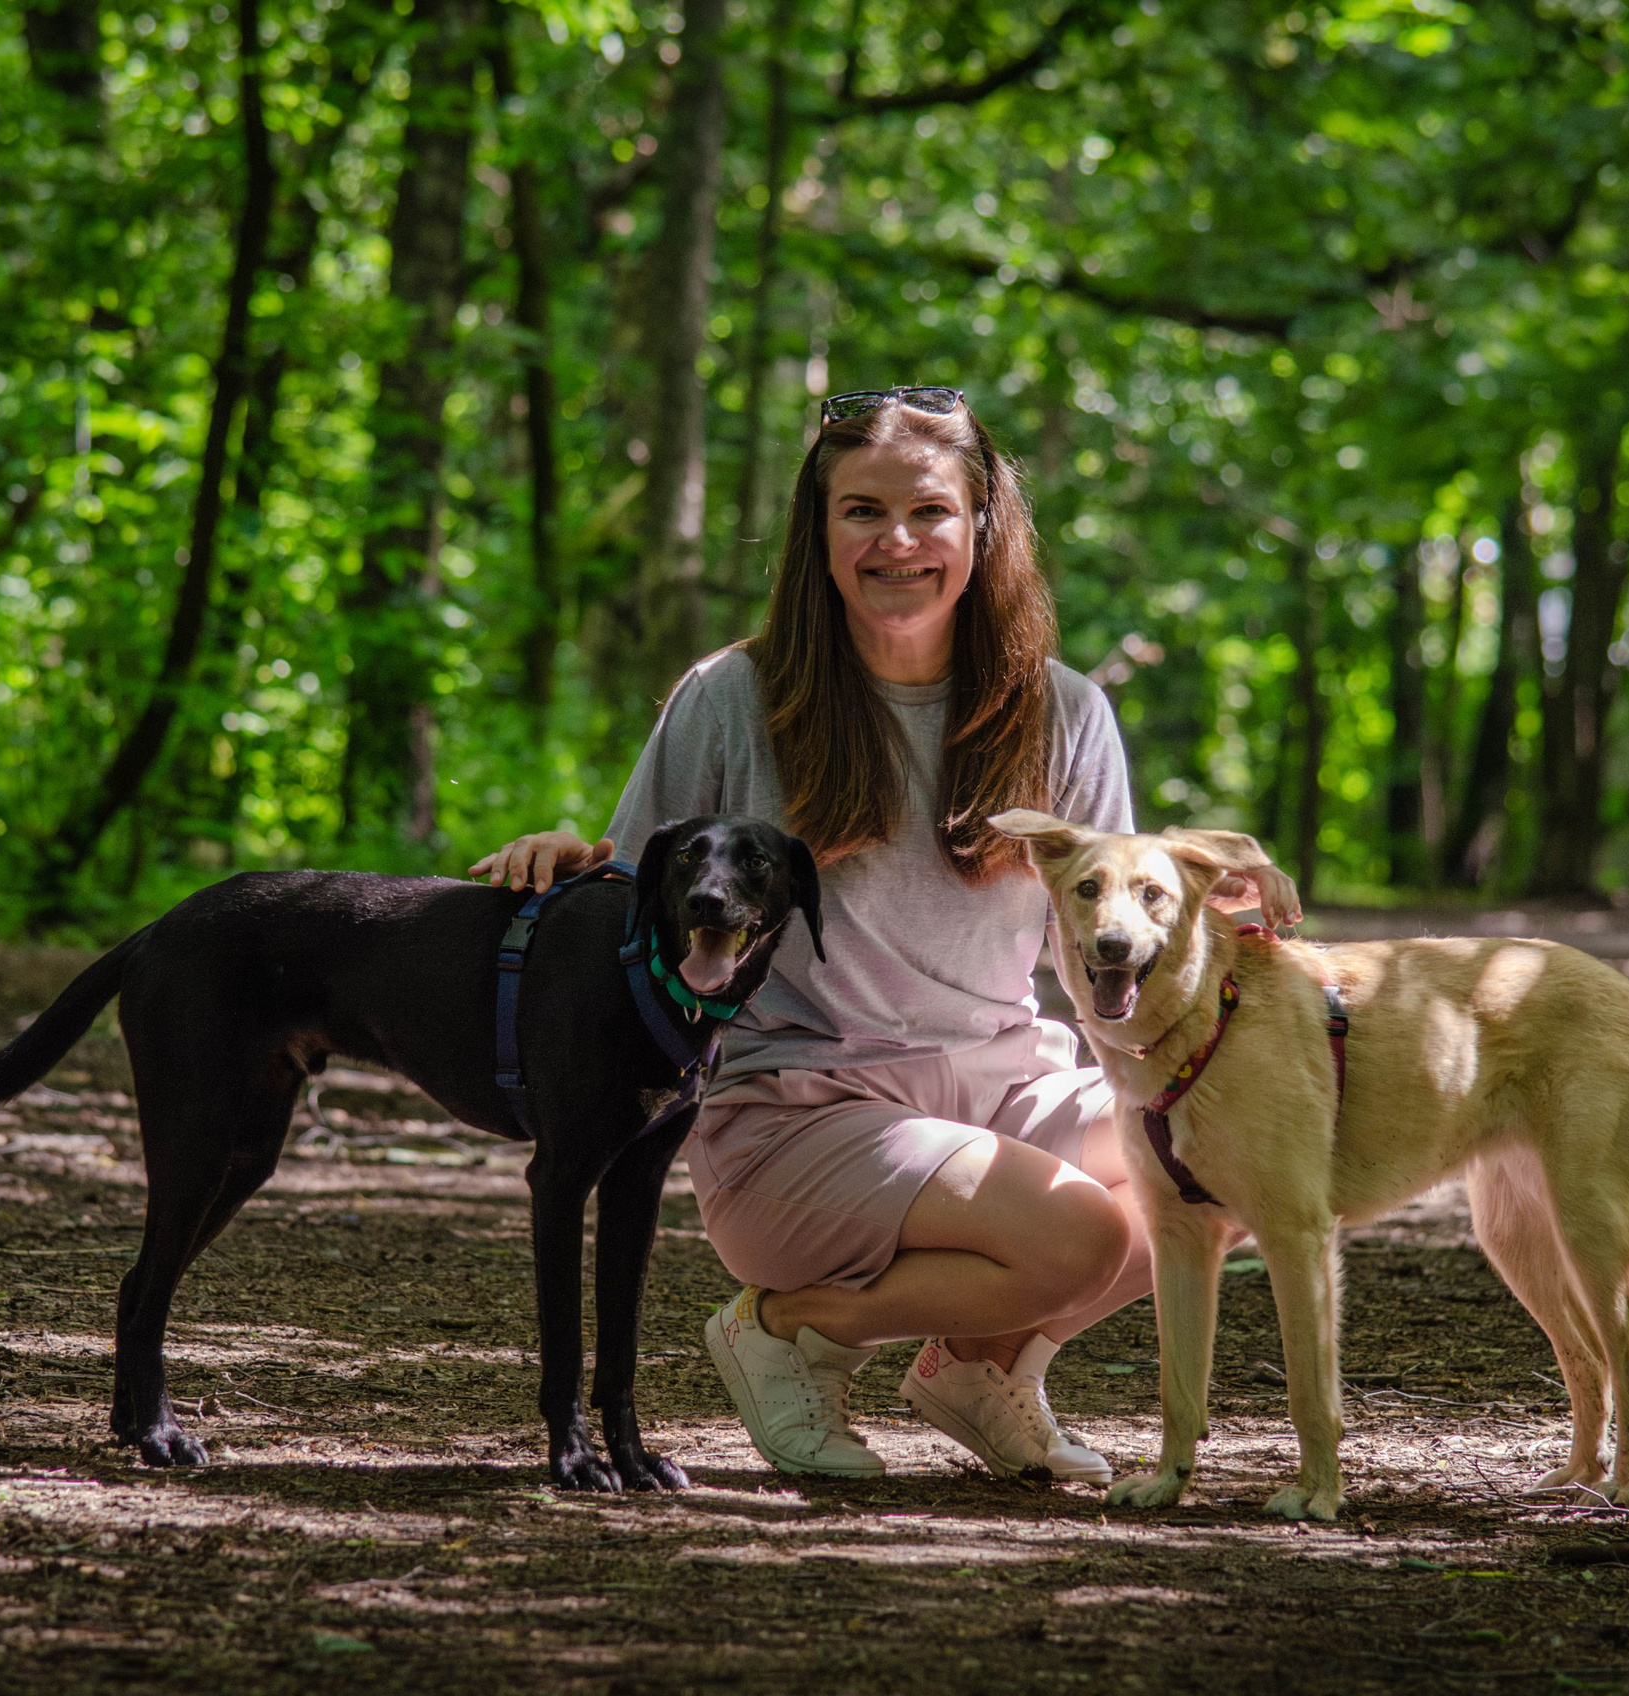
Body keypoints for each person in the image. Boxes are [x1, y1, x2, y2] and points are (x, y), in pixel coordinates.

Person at [471, 386, 1155, 1484]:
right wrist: (570, 860)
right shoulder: (734, 696)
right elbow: (642, 885)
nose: (897, 542)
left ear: (982, 528)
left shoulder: (1063, 711)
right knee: (1080, 1235)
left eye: (929, 512)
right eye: (861, 512)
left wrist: (1222, 944)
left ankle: (981, 1365)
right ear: (818, 531)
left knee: (1226, 1152)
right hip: (799, 1111)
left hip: (1004, 1087)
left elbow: (1114, 939)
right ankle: (785, 1326)